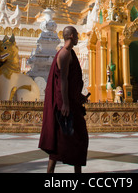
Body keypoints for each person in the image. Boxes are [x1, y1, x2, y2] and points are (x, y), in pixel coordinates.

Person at [39, 25, 89, 173]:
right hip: (65, 104)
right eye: (77, 34)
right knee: (73, 138)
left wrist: (78, 96)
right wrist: (66, 104)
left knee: (68, 139)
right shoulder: (65, 54)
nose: (79, 37)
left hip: (70, 101)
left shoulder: (69, 53)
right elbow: (63, 80)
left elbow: (69, 81)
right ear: (72, 36)